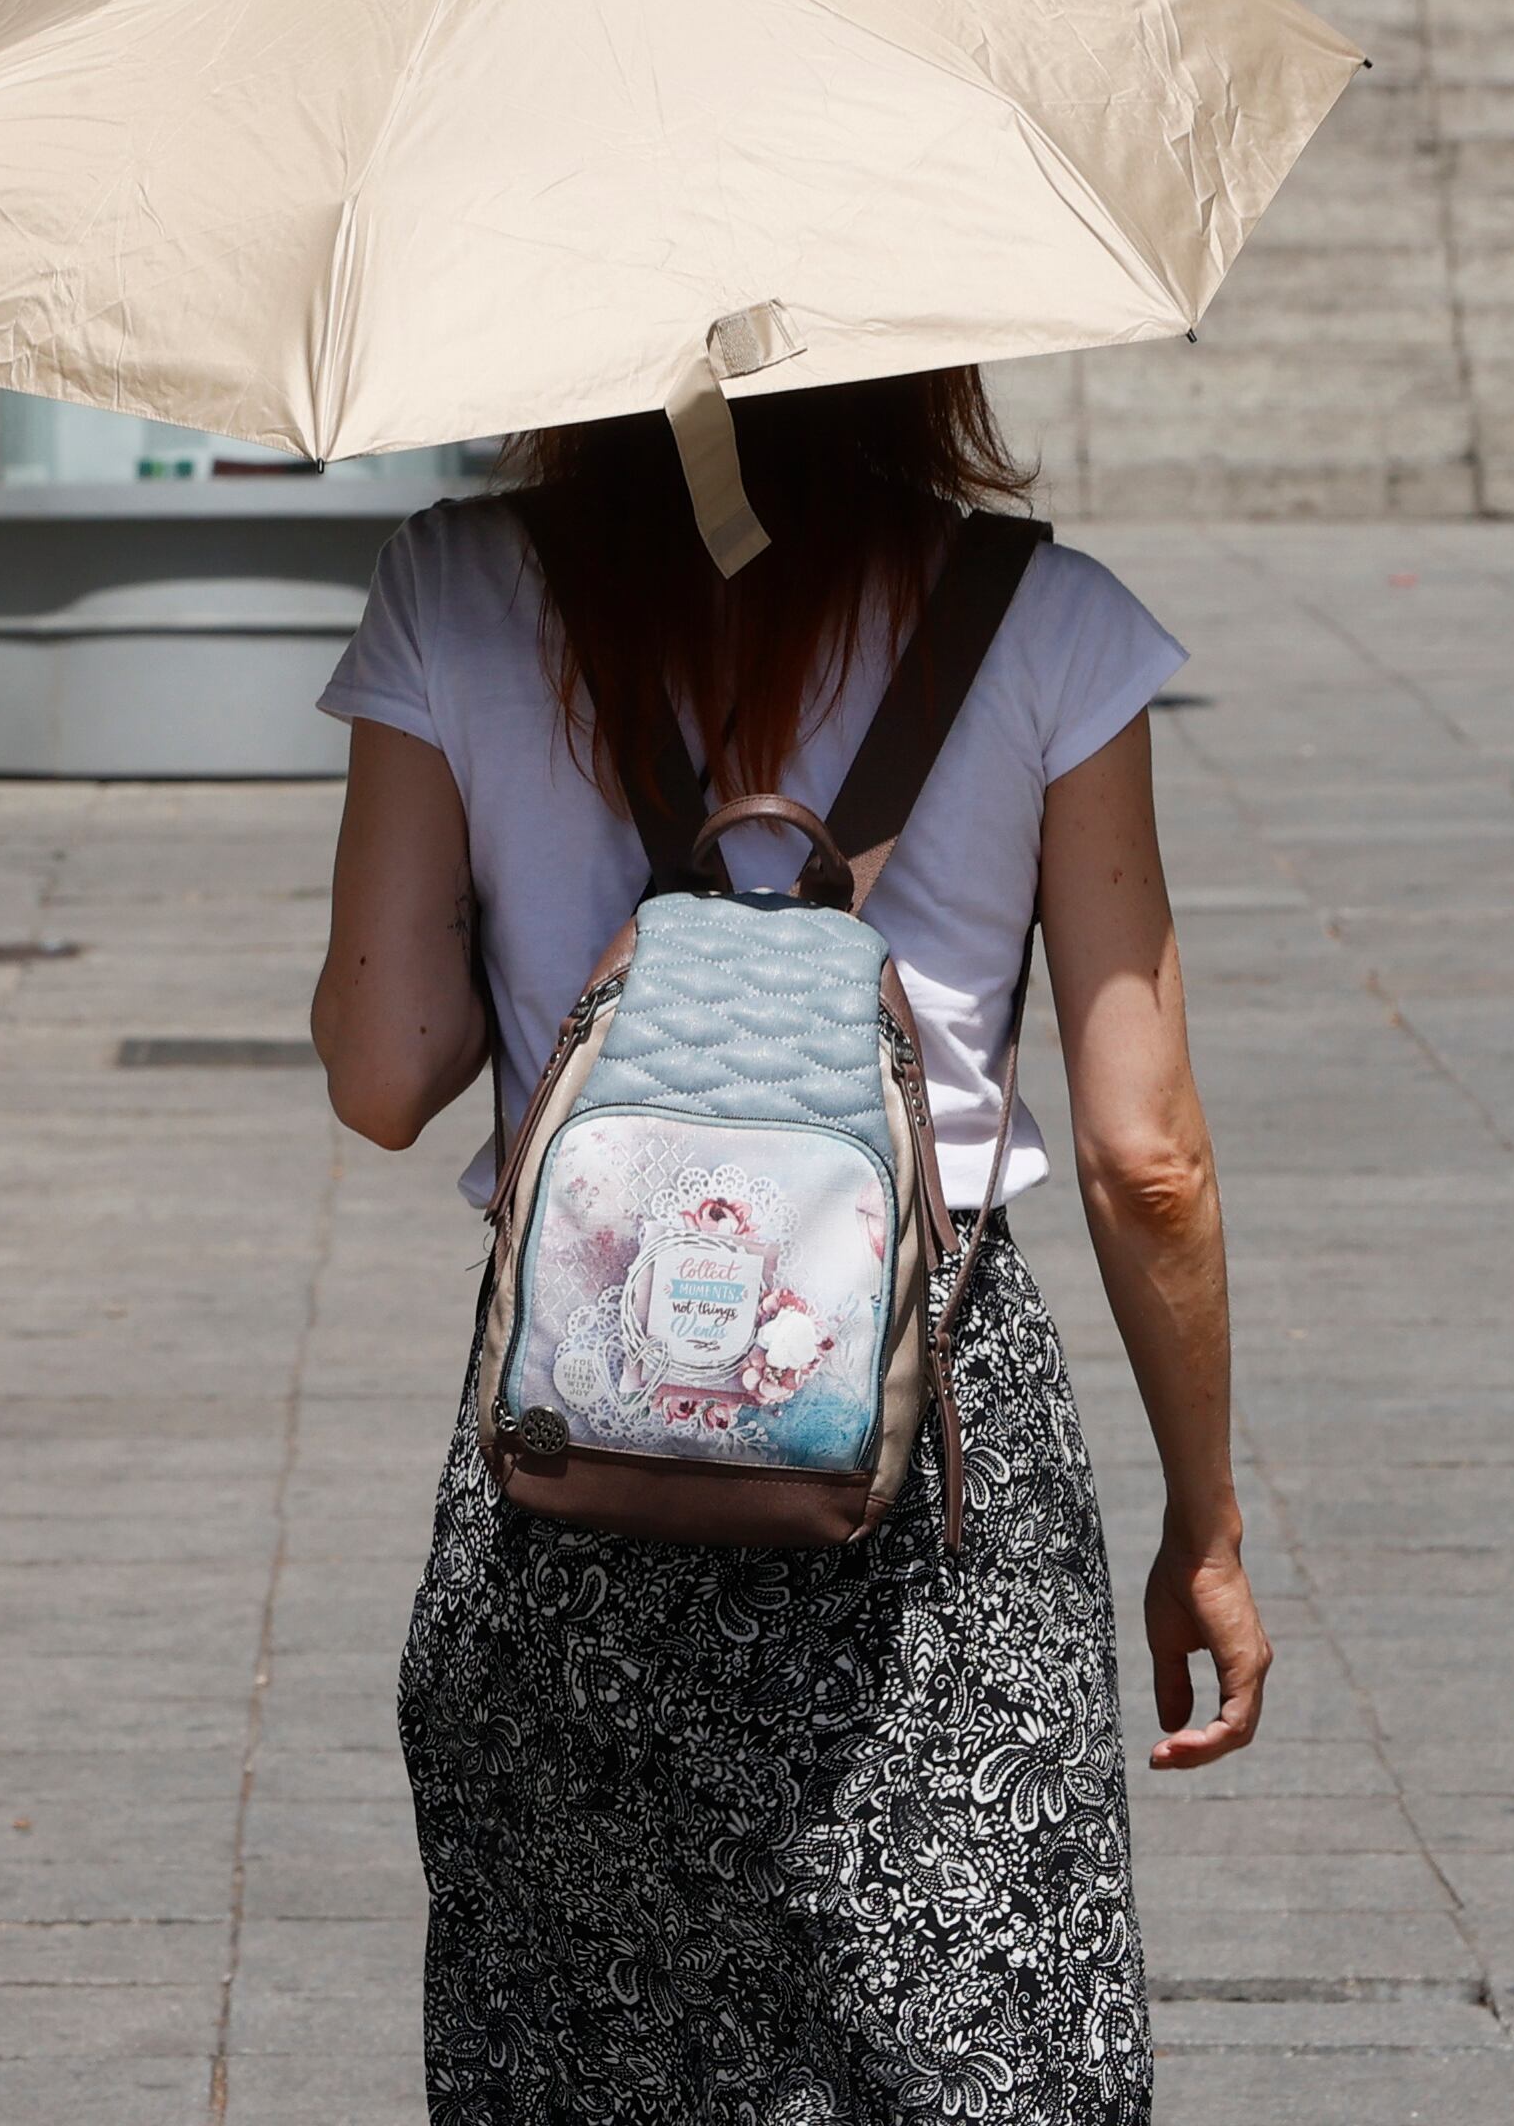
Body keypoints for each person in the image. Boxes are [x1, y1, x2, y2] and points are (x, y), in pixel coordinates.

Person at [309, 374, 1264, 2124]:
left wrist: (562, 981)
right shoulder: (1039, 619)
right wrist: (1201, 1519)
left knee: (593, 2045)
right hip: (933, 1437)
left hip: (576, 1433)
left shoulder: (454, 589)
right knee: (977, 2032)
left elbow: (381, 1075)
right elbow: (1147, 1155)